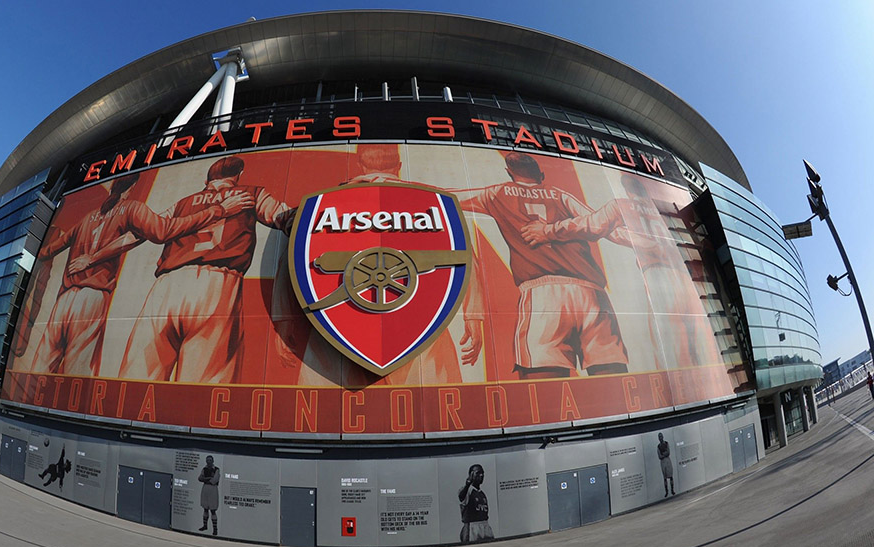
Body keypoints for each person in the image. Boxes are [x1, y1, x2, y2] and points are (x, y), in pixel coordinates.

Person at [274, 144, 485, 386]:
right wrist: (474, 317)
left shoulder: (323, 203)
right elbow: (464, 256)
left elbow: (291, 259)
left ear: (359, 165)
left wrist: (284, 320)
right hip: (420, 326)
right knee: (429, 406)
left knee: (328, 408)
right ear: (399, 166)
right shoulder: (432, 201)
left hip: (337, 328)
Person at [15, 174, 248, 377]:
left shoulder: (86, 220)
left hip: (62, 302)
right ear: (131, 187)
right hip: (91, 297)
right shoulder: (132, 208)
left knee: (39, 369)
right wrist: (219, 211)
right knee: (77, 372)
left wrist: (18, 254)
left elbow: (47, 251)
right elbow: (162, 231)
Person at [520, 173, 725, 376]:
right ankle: (709, 378)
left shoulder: (622, 205)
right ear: (643, 190)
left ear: (627, 191)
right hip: (689, 276)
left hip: (658, 272)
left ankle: (685, 385)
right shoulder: (662, 211)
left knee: (670, 337)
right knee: (700, 335)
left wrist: (548, 230)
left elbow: (591, 225)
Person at [118, 156, 294, 383]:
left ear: (207, 179)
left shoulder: (183, 203)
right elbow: (283, 216)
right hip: (216, 284)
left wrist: (93, 257)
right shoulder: (249, 194)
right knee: (202, 385)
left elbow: (139, 234)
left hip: (166, 286)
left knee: (137, 377)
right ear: (238, 176)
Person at [460, 152, 629, 379]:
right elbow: (613, 233)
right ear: (542, 175)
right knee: (611, 374)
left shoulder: (495, 193)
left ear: (510, 174)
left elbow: (446, 197)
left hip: (543, 293)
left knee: (544, 381)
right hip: (592, 293)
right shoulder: (561, 196)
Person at [458, 464, 494, 543]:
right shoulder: (467, 490)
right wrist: (467, 485)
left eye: (482, 473)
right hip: (472, 526)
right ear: (471, 474)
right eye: (478, 473)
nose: (481, 475)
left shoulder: (482, 494)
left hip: (485, 525)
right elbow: (461, 497)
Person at [198, 456, 221, 535]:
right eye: (207, 460)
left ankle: (215, 529)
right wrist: (208, 478)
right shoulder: (204, 469)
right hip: (205, 489)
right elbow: (200, 478)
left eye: (210, 460)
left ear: (213, 461)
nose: (209, 461)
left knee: (213, 510)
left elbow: (214, 481)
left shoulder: (216, 469)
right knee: (205, 508)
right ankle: (205, 526)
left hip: (213, 490)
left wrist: (205, 479)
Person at [657, 432, 675, 497]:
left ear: (663, 437)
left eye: (661, 436)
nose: (660, 438)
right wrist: (664, 454)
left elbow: (668, 452)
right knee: (664, 477)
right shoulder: (658, 446)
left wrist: (663, 454)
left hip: (667, 460)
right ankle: (666, 491)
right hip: (663, 462)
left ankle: (672, 490)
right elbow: (659, 456)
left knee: (670, 476)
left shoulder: (666, 443)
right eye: (659, 437)